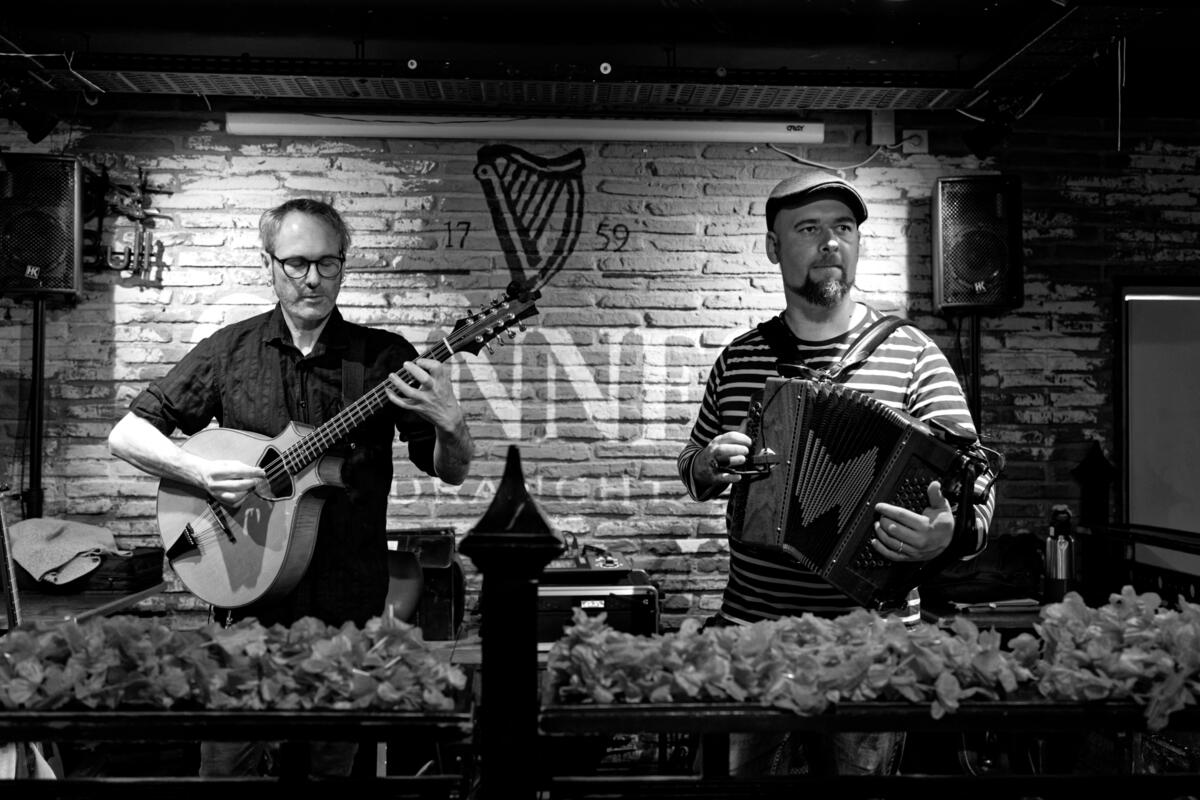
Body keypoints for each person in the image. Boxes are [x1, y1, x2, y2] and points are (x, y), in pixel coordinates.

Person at [108, 197, 474, 778]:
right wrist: (198, 473)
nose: (312, 278)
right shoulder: (230, 351)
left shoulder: (385, 359)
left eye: (327, 263)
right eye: (297, 262)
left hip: (346, 613)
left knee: (331, 776)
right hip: (245, 603)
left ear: (343, 265)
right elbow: (126, 434)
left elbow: (450, 471)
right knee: (224, 774)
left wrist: (452, 423)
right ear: (269, 264)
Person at [676, 170, 997, 776]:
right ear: (773, 247)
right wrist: (708, 464)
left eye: (843, 228)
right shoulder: (739, 359)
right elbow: (692, 468)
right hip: (755, 636)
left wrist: (948, 534)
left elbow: (976, 487)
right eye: (808, 228)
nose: (830, 242)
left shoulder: (913, 354)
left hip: (871, 643)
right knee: (725, 799)